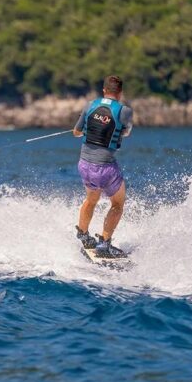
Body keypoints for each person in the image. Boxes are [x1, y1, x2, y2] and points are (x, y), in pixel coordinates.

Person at [72, 76, 133, 258]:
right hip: (105, 169)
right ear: (120, 93)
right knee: (117, 204)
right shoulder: (125, 111)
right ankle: (104, 245)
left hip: (84, 165)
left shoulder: (89, 105)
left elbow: (76, 132)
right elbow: (127, 132)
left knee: (91, 199)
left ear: (104, 90)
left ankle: (83, 235)